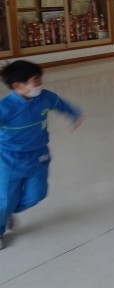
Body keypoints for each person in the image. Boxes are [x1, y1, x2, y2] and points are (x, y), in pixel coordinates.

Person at [0, 60, 83, 250]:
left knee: (37, 194)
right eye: (36, 80)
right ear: (17, 86)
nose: (40, 83)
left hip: (38, 155)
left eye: (40, 79)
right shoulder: (5, 107)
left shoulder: (45, 97)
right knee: (5, 200)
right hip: (8, 159)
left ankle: (6, 213)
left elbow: (60, 104)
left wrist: (74, 114)